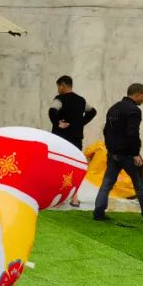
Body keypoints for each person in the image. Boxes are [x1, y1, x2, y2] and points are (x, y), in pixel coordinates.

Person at [93, 83, 143, 224]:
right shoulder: (134, 110)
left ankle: (98, 212)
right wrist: (135, 154)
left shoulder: (113, 108)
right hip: (127, 154)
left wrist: (110, 148)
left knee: (107, 183)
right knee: (140, 183)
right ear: (137, 94)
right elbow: (133, 134)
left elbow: (106, 131)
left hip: (112, 153)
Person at [48, 75, 96, 207]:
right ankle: (75, 198)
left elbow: (52, 111)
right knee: (75, 167)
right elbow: (93, 111)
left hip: (61, 139)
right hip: (76, 138)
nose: (58, 90)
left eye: (58, 87)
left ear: (63, 86)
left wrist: (58, 123)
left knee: (58, 166)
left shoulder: (60, 99)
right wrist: (80, 123)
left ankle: (56, 196)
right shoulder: (81, 100)